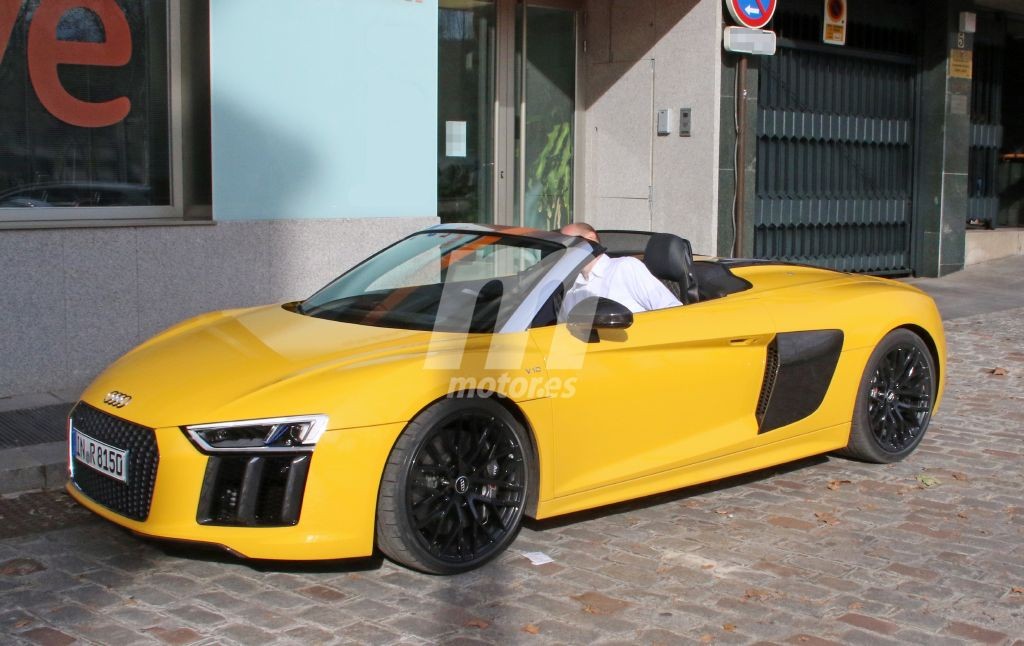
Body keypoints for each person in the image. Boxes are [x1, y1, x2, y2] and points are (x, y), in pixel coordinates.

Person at [559, 222, 681, 316]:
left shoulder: (625, 267)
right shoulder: (570, 289)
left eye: (568, 243)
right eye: (560, 247)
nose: (563, 251)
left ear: (590, 239)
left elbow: (673, 311)